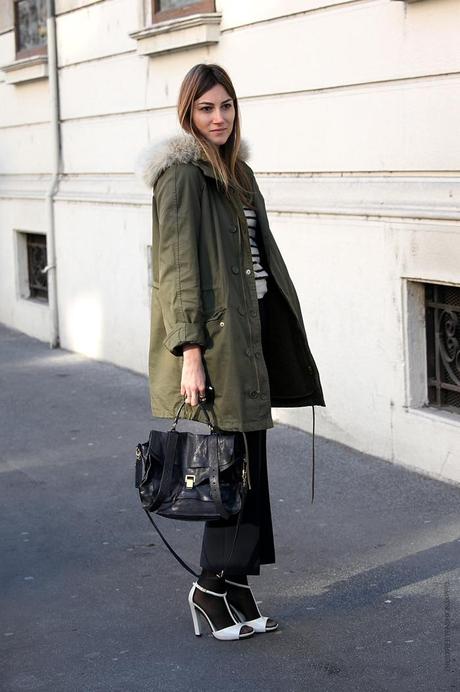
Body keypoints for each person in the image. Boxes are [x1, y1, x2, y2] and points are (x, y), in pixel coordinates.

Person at [138, 63, 325, 641]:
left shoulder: (237, 171)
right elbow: (177, 270)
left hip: (252, 334)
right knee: (229, 466)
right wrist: (190, 351)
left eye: (226, 106)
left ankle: (238, 584)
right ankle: (209, 588)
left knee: (252, 465)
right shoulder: (182, 176)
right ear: (187, 115)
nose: (219, 118)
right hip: (215, 343)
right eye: (206, 109)